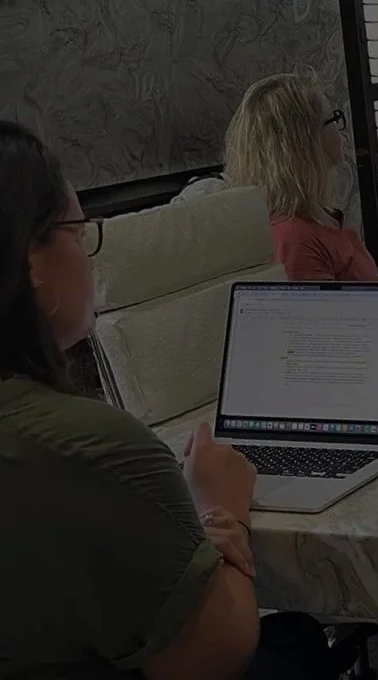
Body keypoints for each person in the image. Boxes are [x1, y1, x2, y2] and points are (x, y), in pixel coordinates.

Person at [0, 121, 338, 679]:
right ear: (33, 263)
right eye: (80, 234)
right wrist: (221, 506)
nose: (89, 257)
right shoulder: (91, 447)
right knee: (294, 642)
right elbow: (215, 652)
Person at [225, 73, 378, 282]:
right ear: (305, 144)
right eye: (333, 119)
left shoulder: (320, 215)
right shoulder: (295, 239)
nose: (341, 129)